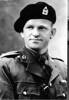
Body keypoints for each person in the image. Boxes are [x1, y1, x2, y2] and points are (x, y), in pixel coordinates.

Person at [0, 1, 67, 100]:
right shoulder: (6, 66)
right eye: (30, 27)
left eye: (42, 28)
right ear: (22, 32)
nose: (35, 33)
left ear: (52, 33)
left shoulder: (63, 69)